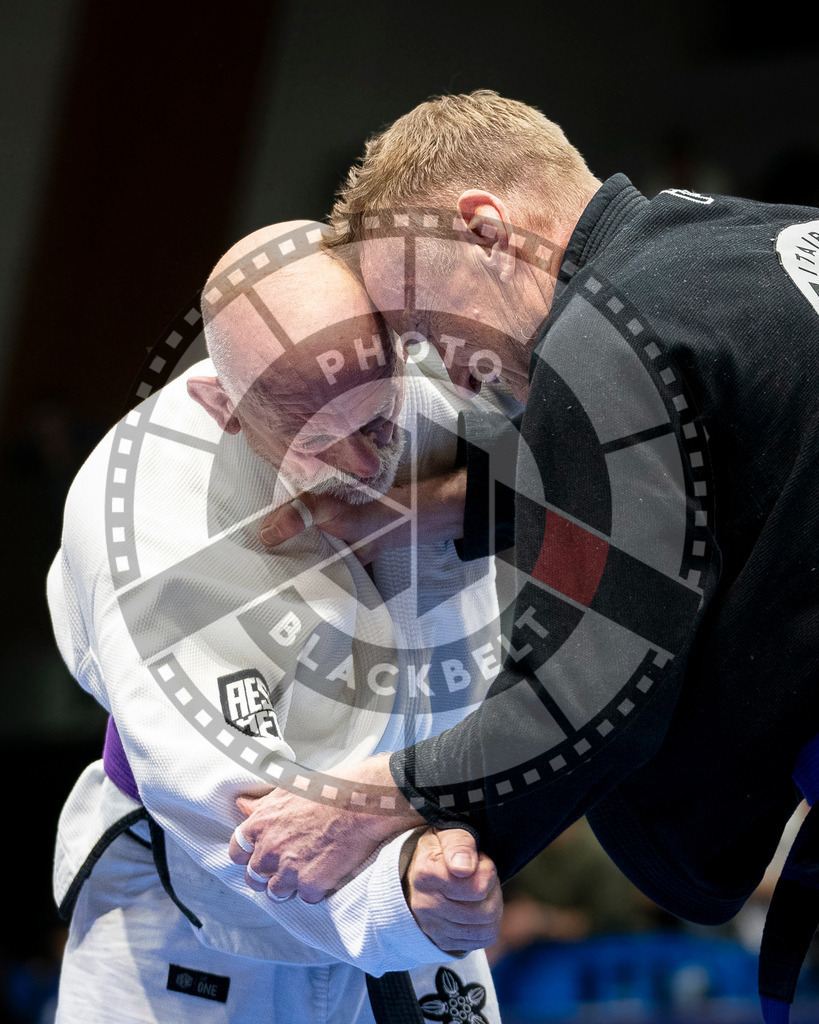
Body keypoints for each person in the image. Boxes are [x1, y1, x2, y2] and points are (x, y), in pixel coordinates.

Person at [233, 91, 819, 1023]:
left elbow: (594, 688)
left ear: (485, 230)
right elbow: (705, 467)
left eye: (422, 323)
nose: (438, 365)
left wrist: (381, 796)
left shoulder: (609, 333)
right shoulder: (752, 249)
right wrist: (434, 497)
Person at [48, 221, 506, 1023]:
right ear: (222, 406)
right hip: (194, 901)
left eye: (377, 421)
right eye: (324, 442)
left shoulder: (439, 384)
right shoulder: (150, 518)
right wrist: (402, 895)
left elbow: (607, 478)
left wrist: (449, 506)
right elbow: (237, 804)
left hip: (424, 851)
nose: (368, 465)